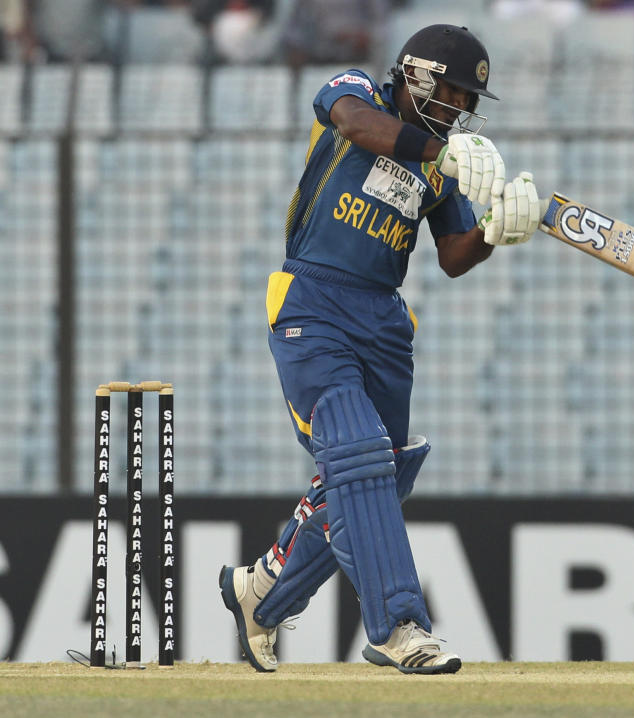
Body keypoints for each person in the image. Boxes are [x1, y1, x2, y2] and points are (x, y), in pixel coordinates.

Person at [218, 24, 541, 675]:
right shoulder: (360, 92)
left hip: (385, 325)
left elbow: (454, 255)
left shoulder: (439, 162)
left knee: (375, 472)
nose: (457, 110)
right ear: (414, 75)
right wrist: (436, 152)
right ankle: (399, 625)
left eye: (466, 101)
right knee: (358, 454)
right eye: (448, 92)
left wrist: (497, 232)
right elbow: (353, 122)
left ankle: (262, 594)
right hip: (313, 303)